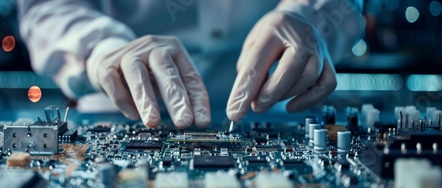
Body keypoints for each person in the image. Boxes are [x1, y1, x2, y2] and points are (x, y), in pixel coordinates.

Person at [18, 0, 363, 129]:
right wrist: (100, 49)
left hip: (281, 108)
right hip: (121, 112)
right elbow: (44, 8)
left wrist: (307, 15)